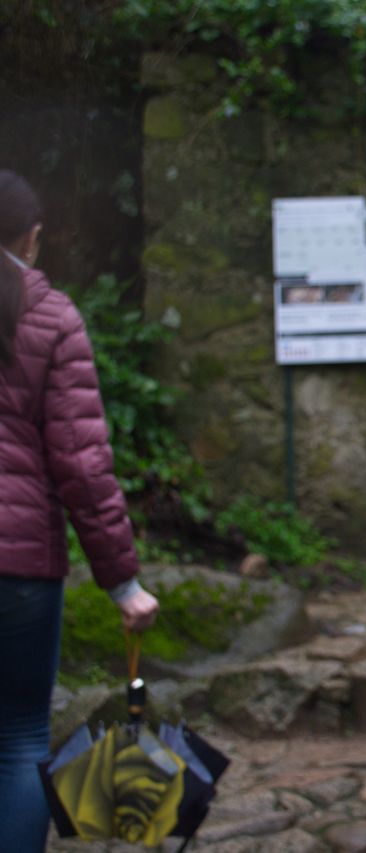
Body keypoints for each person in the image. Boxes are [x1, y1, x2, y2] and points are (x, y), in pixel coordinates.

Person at [0, 170, 160, 851]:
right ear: (32, 238)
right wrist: (122, 582)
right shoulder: (52, 316)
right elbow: (82, 464)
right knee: (19, 739)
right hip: (19, 568)